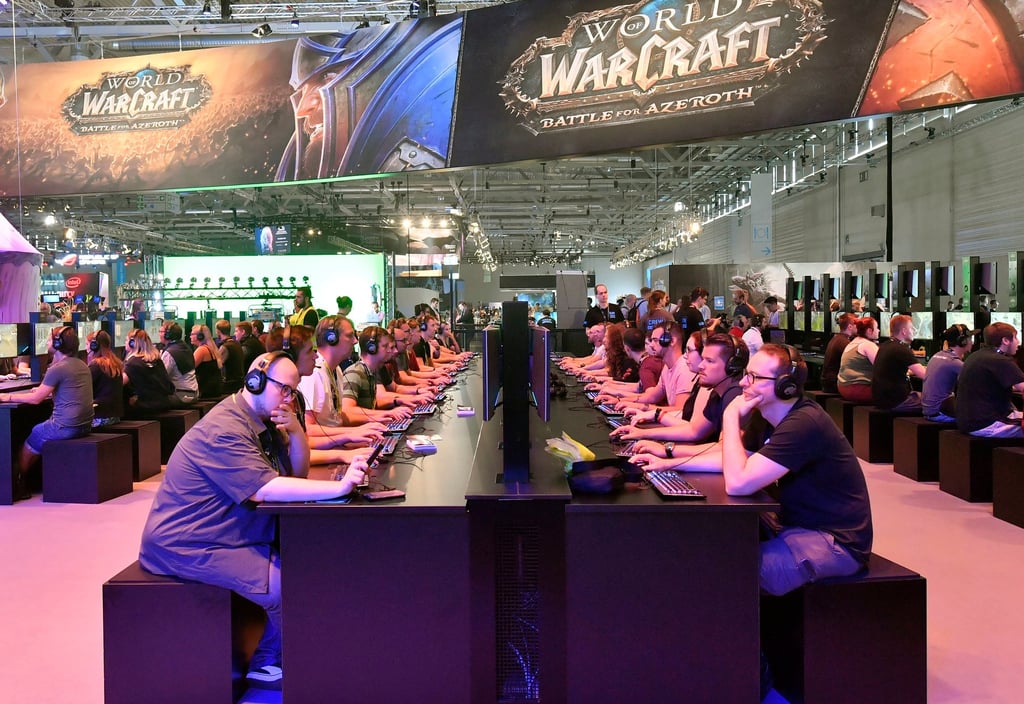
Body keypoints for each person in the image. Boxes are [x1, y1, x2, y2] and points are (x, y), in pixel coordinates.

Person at [139, 352, 370, 691]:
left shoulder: (259, 419)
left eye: (294, 392)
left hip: (230, 529)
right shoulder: (225, 429)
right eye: (285, 390)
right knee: (285, 586)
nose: (289, 399)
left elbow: (296, 472)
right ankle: (268, 662)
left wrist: (295, 430)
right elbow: (264, 489)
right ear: (255, 382)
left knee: (313, 560)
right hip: (190, 542)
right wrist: (338, 488)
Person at [636, 345, 873, 595]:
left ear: (786, 386)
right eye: (746, 374)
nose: (743, 383)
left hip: (835, 543)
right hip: (794, 526)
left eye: (754, 377)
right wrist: (669, 462)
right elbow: (730, 460)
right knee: (705, 544)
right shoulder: (766, 416)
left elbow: (738, 483)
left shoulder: (803, 424)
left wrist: (730, 417)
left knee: (730, 570)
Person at [0, 326, 93, 501]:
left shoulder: (58, 368)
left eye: (50, 340)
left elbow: (36, 399)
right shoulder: (81, 364)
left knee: (34, 434)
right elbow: (61, 390)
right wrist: (42, 390)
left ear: (58, 344)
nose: (47, 342)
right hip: (83, 425)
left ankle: (17, 483)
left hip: (64, 426)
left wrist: (8, 396)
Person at [613, 331, 745, 450]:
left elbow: (723, 452)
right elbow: (695, 430)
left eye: (709, 361)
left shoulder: (733, 395)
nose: (701, 365)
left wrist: (667, 453)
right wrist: (644, 433)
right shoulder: (716, 392)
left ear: (731, 366)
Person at [956, 322, 1024, 438]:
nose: (1018, 342)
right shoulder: (1001, 361)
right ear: (1005, 341)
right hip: (987, 424)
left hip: (969, 422)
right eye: (1015, 337)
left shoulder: (976, 355)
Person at [342, 326, 415, 424]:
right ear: (372, 349)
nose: (390, 350)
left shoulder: (370, 372)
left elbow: (372, 404)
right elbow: (348, 410)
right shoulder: (354, 373)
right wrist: (385, 414)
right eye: (385, 346)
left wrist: (396, 402)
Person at [872, 314, 927, 411]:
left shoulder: (885, 345)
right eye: (911, 328)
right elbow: (925, 375)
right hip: (897, 401)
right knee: (936, 401)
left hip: (880, 398)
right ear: (904, 331)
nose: (914, 331)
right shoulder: (901, 349)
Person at [921, 324, 975, 422]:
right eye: (970, 338)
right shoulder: (954, 363)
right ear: (963, 341)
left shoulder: (937, 355)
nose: (972, 342)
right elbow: (980, 382)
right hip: (938, 413)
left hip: (929, 410)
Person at [123, 329, 174, 418]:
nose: (125, 343)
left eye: (126, 340)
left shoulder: (133, 362)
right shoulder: (156, 359)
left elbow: (120, 382)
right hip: (163, 403)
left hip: (146, 407)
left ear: (133, 343)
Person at [837, 317, 880, 403]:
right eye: (877, 328)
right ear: (869, 331)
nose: (878, 330)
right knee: (896, 394)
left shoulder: (853, 342)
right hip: (857, 389)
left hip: (842, 387)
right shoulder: (867, 345)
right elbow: (882, 368)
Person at [87, 330, 124, 428]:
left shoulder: (96, 365)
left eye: (87, 344)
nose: (86, 348)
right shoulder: (115, 363)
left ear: (94, 346)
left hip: (99, 417)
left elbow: (81, 388)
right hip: (113, 416)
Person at [160, 322, 198, 405]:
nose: (159, 334)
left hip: (181, 395)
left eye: (161, 332)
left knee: (150, 400)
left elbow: (162, 376)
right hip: (193, 393)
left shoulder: (169, 353)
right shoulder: (185, 347)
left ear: (167, 335)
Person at [822, 313, 857, 393]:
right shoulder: (843, 342)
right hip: (833, 384)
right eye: (856, 325)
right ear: (850, 327)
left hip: (828, 382)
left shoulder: (837, 338)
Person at [191, 324, 223, 400]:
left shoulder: (202, 350)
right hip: (214, 389)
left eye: (192, 334)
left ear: (200, 336)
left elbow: (189, 368)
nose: (190, 336)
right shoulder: (210, 348)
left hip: (205, 391)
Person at [216, 319, 246, 394]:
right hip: (239, 383)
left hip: (229, 386)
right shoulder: (237, 344)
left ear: (218, 331)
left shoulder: (225, 347)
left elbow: (217, 366)